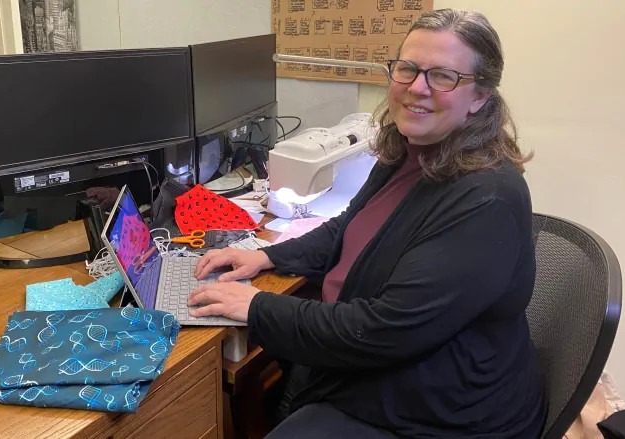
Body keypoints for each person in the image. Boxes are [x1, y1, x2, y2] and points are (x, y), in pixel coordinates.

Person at [188, 8, 546, 439]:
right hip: (389, 360)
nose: (417, 88)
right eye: (408, 69)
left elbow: (383, 331)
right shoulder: (410, 149)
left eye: (443, 76)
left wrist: (257, 307)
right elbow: (347, 228)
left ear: (480, 96)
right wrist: (264, 256)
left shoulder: (487, 198)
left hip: (446, 407)